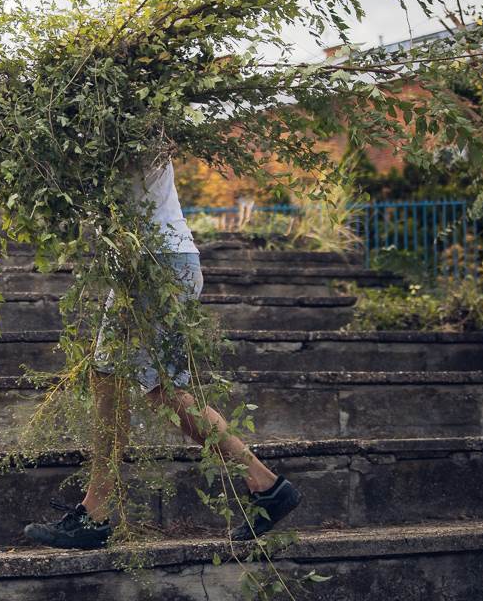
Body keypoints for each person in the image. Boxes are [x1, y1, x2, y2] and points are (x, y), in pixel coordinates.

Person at [23, 159, 301, 549]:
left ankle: (96, 514)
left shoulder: (131, 118)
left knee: (124, 382)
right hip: (151, 264)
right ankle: (266, 485)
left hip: (155, 264)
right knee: (146, 388)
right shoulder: (102, 120)